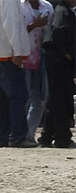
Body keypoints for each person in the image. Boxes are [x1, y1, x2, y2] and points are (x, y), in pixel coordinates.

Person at [0, 0, 31, 148]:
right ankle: (18, 136)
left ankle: (2, 137)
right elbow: (11, 25)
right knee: (18, 95)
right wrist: (17, 51)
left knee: (1, 98)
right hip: (7, 53)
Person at [38, 0, 75, 148]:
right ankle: (61, 136)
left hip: (59, 62)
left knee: (56, 99)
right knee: (60, 99)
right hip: (59, 63)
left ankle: (47, 136)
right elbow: (57, 35)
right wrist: (67, 55)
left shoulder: (64, 11)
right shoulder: (62, 12)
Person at [21, 0, 53, 145]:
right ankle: (19, 133)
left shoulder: (47, 7)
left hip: (42, 59)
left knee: (40, 99)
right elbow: (16, 32)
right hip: (23, 59)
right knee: (23, 98)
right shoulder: (20, 6)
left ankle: (29, 134)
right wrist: (35, 25)